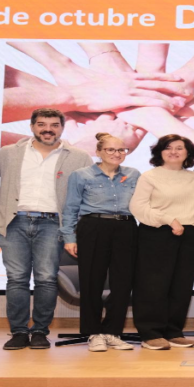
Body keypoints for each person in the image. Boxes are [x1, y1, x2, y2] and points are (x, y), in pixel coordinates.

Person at [0, 108, 93, 350]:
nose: (48, 129)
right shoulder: (8, 153)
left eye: (54, 125)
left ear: (62, 128)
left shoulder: (79, 157)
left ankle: (39, 332)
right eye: (42, 124)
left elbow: (89, 192)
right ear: (32, 126)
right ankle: (18, 332)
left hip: (53, 224)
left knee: (46, 279)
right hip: (14, 222)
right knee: (16, 279)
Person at [61, 133, 141, 352]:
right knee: (91, 281)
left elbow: (141, 204)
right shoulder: (81, 175)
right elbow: (70, 208)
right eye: (111, 150)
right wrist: (69, 237)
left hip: (126, 228)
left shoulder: (133, 174)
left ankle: (112, 332)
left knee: (123, 283)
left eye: (121, 150)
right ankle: (94, 332)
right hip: (93, 227)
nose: (117, 154)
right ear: (98, 152)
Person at [130, 134, 194, 350]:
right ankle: (150, 333)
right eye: (168, 147)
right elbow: (139, 207)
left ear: (188, 153)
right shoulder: (150, 176)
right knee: (152, 285)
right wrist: (168, 220)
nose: (174, 151)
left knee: (181, 285)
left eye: (179, 148)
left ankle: (173, 331)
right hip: (158, 233)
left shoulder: (193, 177)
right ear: (160, 152)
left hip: (189, 234)